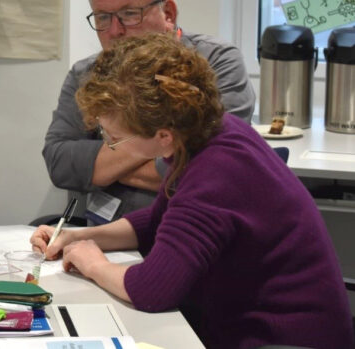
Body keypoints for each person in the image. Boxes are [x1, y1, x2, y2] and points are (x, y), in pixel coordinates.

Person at [32, 33, 353, 349]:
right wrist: (80, 238)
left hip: (283, 339)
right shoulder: (212, 131)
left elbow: (151, 290)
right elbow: (162, 219)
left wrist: (93, 264)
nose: (109, 144)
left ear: (162, 136)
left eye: (115, 138)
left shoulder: (215, 174)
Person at [43, 0, 256, 223]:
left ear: (168, 13)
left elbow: (211, 169)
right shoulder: (85, 73)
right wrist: (162, 152)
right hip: (102, 227)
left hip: (191, 224)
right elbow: (60, 162)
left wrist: (103, 164)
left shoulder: (216, 63)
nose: (115, 30)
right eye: (102, 18)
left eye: (129, 14)